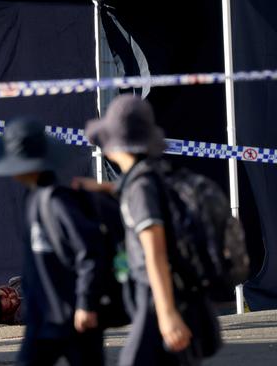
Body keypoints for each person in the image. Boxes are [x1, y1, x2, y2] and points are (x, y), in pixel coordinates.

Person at [83, 94, 221, 366]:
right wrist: (102, 188)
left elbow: (154, 250)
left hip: (156, 295)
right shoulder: (148, 175)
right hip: (168, 294)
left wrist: (167, 313)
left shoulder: (140, 187)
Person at [0, 118, 107, 366]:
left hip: (74, 316)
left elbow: (90, 251)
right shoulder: (31, 201)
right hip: (43, 319)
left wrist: (86, 304)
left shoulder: (58, 202)